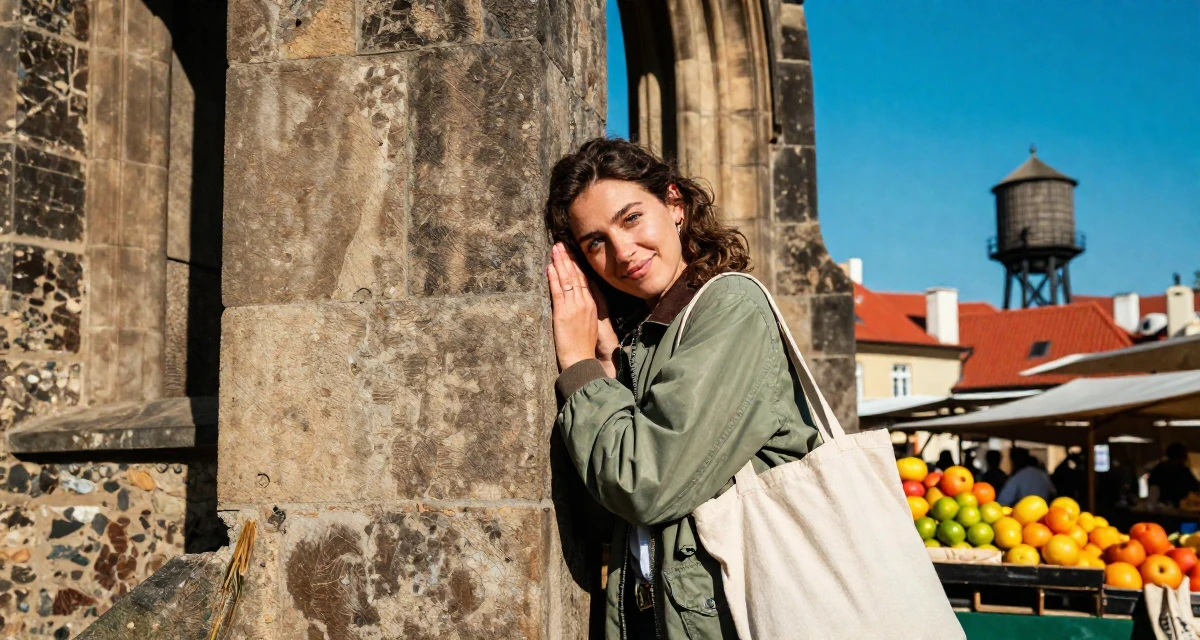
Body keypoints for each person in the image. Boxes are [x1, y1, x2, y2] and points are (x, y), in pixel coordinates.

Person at [545, 138, 822, 640]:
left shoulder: (730, 307)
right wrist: (609, 364)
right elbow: (602, 505)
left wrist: (579, 365)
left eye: (631, 219)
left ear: (675, 204)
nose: (622, 251)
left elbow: (643, 484)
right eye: (596, 242)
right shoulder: (640, 340)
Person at [1148, 443, 1200, 507]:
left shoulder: (1158, 469)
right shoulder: (1182, 470)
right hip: (1178, 508)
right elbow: (1195, 486)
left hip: (1161, 508)